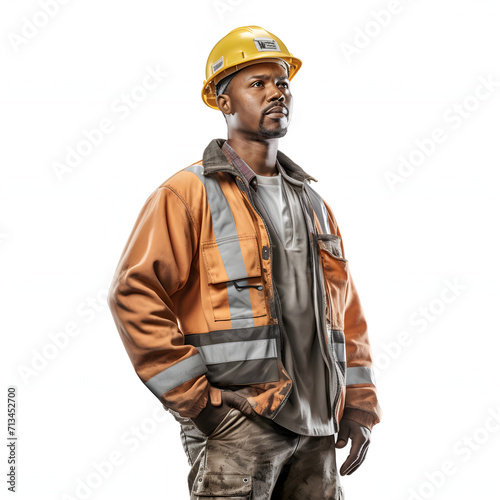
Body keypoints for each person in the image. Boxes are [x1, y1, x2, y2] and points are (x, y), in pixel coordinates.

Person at [107, 25, 382, 500]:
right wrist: (199, 403)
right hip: (241, 425)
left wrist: (358, 404)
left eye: (283, 82)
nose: (277, 92)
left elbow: (346, 315)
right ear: (223, 102)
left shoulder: (314, 203)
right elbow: (133, 293)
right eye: (258, 83)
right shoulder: (187, 194)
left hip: (318, 430)